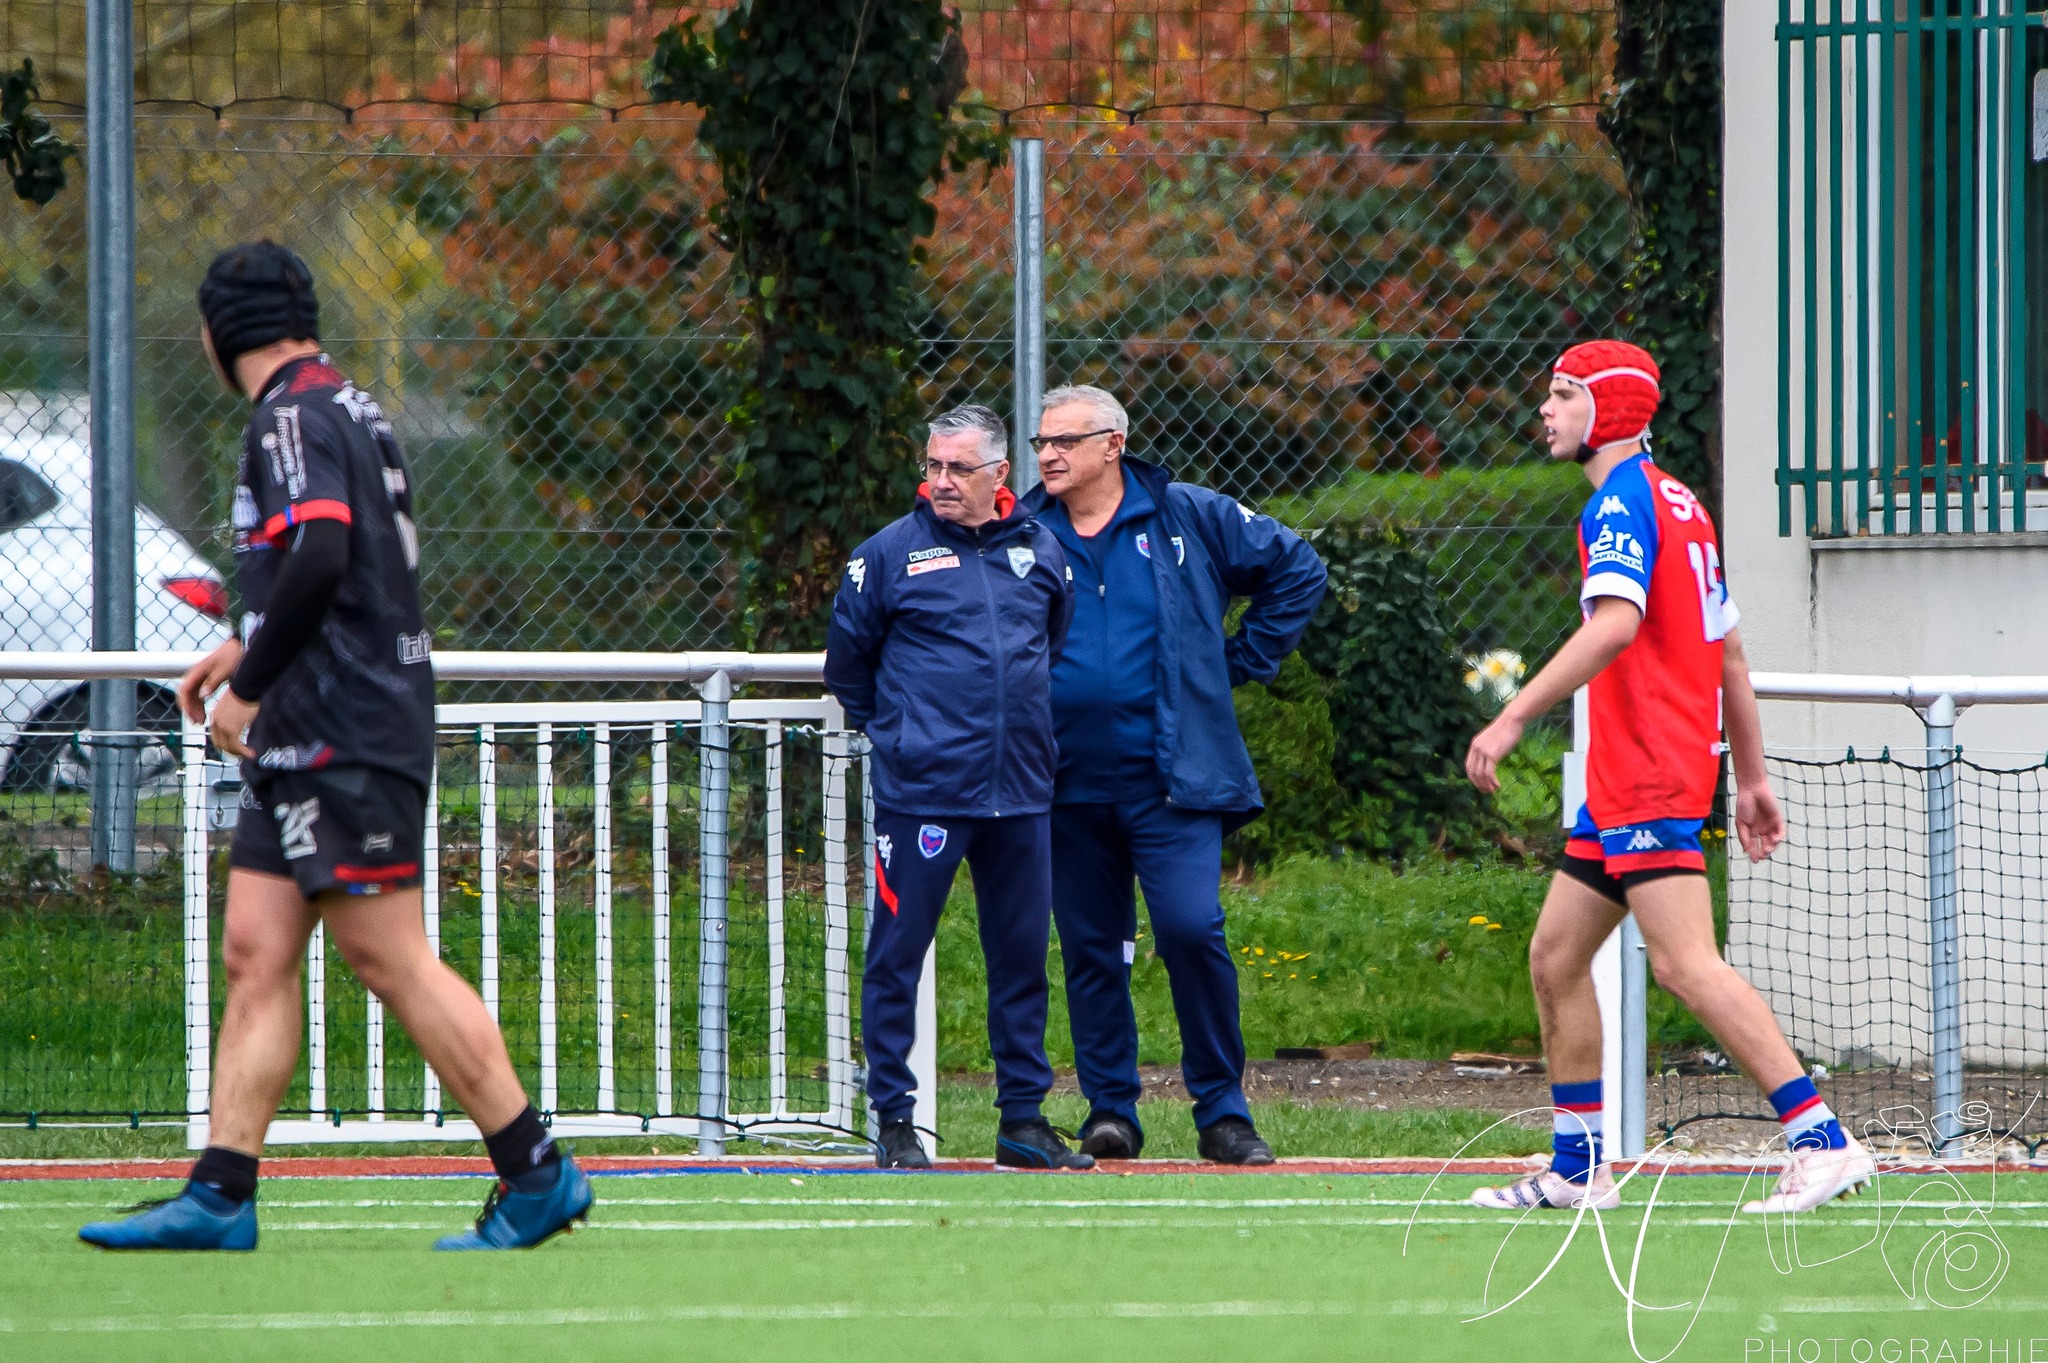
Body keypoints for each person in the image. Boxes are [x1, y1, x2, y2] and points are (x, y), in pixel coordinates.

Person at [80, 242, 591, 1252]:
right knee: (255, 949)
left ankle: (536, 1171)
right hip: (322, 724)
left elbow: (319, 549)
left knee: (386, 954)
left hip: (341, 726)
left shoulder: (288, 414)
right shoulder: (342, 402)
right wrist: (242, 642)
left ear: (223, 329)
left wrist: (252, 689)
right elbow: (338, 565)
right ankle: (221, 1194)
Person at [1463, 340, 1874, 1213]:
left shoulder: (1622, 502)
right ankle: (1579, 1167)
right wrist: (1751, 775)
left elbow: (1616, 624)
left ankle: (1822, 1139)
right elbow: (1727, 651)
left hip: (1649, 768)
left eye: (1564, 392)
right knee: (1557, 954)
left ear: (1606, 412)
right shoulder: (1679, 500)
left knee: (1687, 964)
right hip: (1629, 775)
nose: (1546, 409)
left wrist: (1512, 713)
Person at [1022, 386, 1326, 1164]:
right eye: (1040, 442)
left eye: (1065, 440)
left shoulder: (1187, 513)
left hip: (1175, 776)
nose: (1048, 454)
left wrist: (1239, 662)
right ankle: (1109, 1109)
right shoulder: (1023, 532)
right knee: (1092, 947)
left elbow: (1298, 565)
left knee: (1192, 929)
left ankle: (1222, 1110)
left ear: (1113, 444)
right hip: (1064, 780)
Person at [824, 405, 1091, 1171]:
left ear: (1001, 475)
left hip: (1023, 795)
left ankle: (1023, 1120)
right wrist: (907, 735)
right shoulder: (885, 556)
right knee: (897, 957)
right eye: (933, 465)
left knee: (1020, 957)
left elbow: (1052, 644)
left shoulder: (1042, 551)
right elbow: (849, 670)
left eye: (958, 468)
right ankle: (896, 1120)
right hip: (924, 797)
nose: (939, 481)